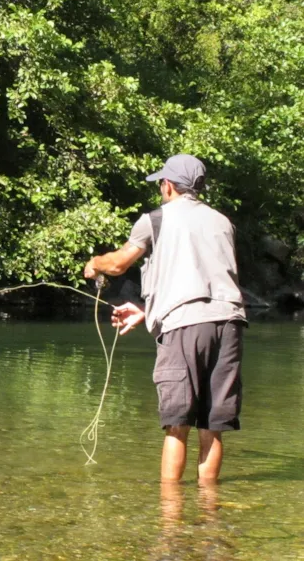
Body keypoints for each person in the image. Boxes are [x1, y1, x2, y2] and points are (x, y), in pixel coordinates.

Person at [83, 154, 246, 483]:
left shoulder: (155, 219)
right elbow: (204, 279)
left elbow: (118, 265)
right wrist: (148, 312)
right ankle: (208, 509)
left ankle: (170, 517)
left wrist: (96, 263)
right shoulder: (221, 221)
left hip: (184, 327)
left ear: (168, 185)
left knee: (177, 423)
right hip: (229, 324)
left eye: (161, 182)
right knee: (212, 427)